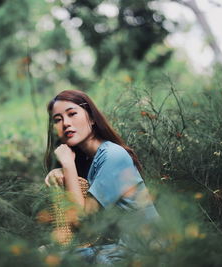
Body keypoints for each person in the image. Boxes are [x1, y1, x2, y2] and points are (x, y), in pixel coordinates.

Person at [44, 89, 160, 264]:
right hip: (118, 248)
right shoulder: (88, 160)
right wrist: (59, 170)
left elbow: (81, 220)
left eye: (72, 114)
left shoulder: (113, 155)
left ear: (91, 118)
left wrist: (67, 165)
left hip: (147, 250)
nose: (66, 123)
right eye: (57, 120)